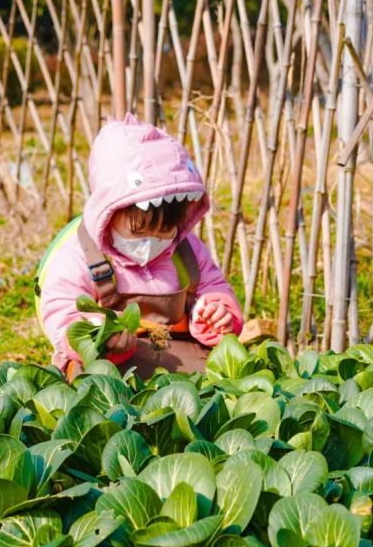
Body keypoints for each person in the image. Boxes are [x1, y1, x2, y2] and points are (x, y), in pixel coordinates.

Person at [37, 114, 243, 380]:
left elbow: (213, 285)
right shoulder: (81, 255)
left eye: (164, 231)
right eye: (138, 231)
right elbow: (61, 309)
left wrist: (216, 313)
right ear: (109, 213)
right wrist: (97, 333)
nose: (151, 242)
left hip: (182, 361)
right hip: (107, 369)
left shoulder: (186, 249)